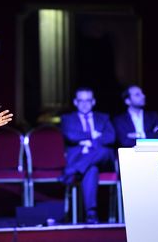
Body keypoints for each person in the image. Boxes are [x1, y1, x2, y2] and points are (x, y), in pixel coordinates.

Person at [60, 87, 116, 224]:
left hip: (103, 160)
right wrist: (95, 137)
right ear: (75, 102)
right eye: (81, 100)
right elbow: (70, 135)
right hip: (83, 159)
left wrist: (87, 141)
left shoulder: (103, 118)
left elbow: (111, 137)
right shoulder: (67, 119)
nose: (84, 104)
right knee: (91, 169)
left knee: (105, 152)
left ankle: (72, 170)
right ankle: (91, 214)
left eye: (88, 100)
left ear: (93, 102)